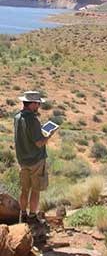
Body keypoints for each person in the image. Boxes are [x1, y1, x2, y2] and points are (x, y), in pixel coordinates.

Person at [14, 91, 54, 224]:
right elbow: (39, 143)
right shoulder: (33, 120)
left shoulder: (17, 117)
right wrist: (49, 135)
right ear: (31, 104)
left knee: (24, 189)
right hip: (36, 160)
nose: (39, 105)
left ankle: (23, 215)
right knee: (36, 190)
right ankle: (32, 217)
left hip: (22, 160)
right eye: (37, 103)